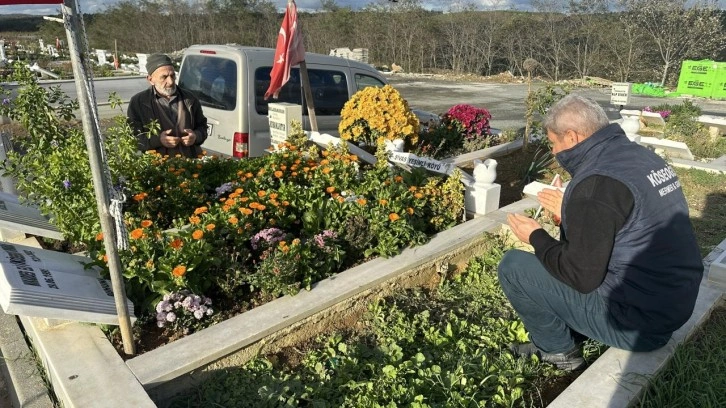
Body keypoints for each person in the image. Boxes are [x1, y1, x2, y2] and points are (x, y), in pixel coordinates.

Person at [499, 94, 703, 371]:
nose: (554, 152)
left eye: (552, 143)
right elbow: (622, 226)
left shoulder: (594, 187)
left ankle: (558, 351)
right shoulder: (642, 159)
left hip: (637, 325)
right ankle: (576, 327)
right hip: (671, 304)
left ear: (570, 137)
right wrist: (571, 213)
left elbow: (580, 276)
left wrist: (535, 235)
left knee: (514, 266)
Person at [127, 53, 207, 158]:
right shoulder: (139, 102)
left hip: (189, 165)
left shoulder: (189, 98)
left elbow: (203, 127)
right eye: (164, 77)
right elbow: (133, 138)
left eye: (173, 75)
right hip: (158, 168)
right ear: (150, 80)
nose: (170, 81)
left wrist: (195, 136)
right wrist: (158, 140)